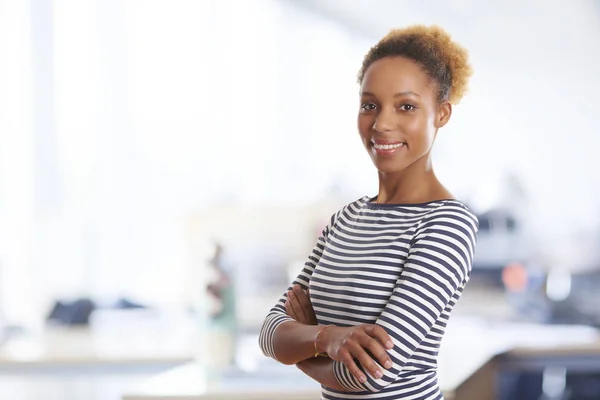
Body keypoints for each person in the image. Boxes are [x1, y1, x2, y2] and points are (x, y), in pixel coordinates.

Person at [258, 24, 479, 399]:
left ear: (441, 114)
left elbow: (371, 375)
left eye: (405, 106)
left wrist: (302, 347)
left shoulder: (447, 224)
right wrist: (328, 338)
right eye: (369, 105)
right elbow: (268, 334)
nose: (382, 124)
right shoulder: (346, 219)